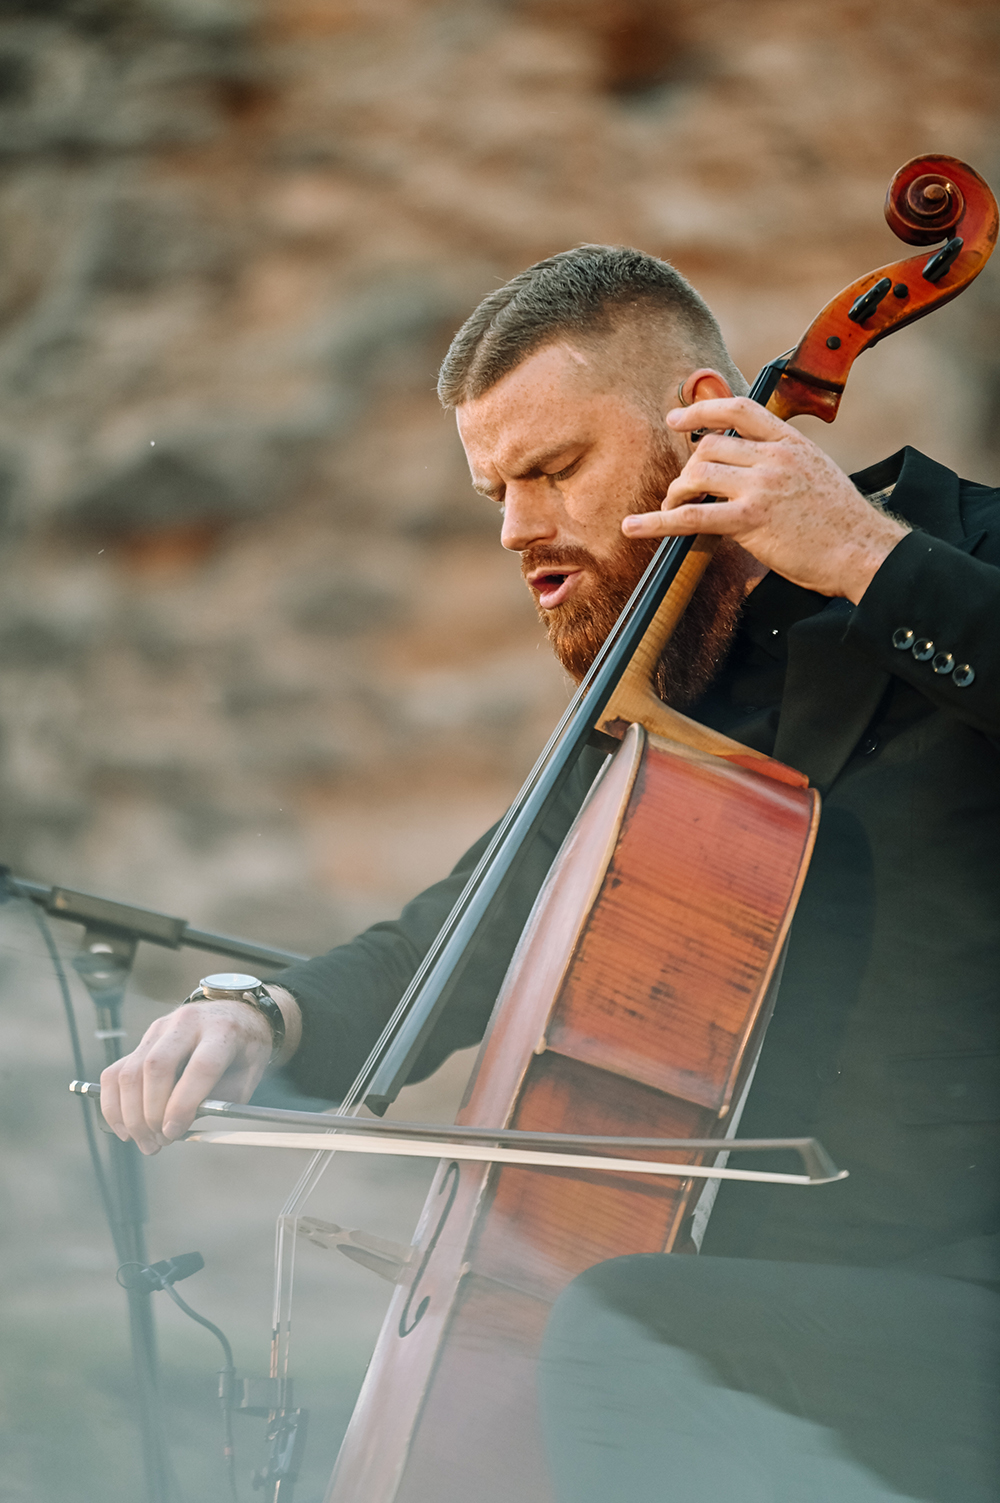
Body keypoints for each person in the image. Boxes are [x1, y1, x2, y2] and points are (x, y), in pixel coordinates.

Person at [100, 247, 1000, 1499]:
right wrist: (263, 1013)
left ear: (700, 422)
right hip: (783, 1315)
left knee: (625, 1336)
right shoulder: (667, 702)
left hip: (963, 1298)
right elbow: (466, 928)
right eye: (495, 492)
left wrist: (863, 556)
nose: (518, 529)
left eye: (555, 470)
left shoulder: (960, 555)